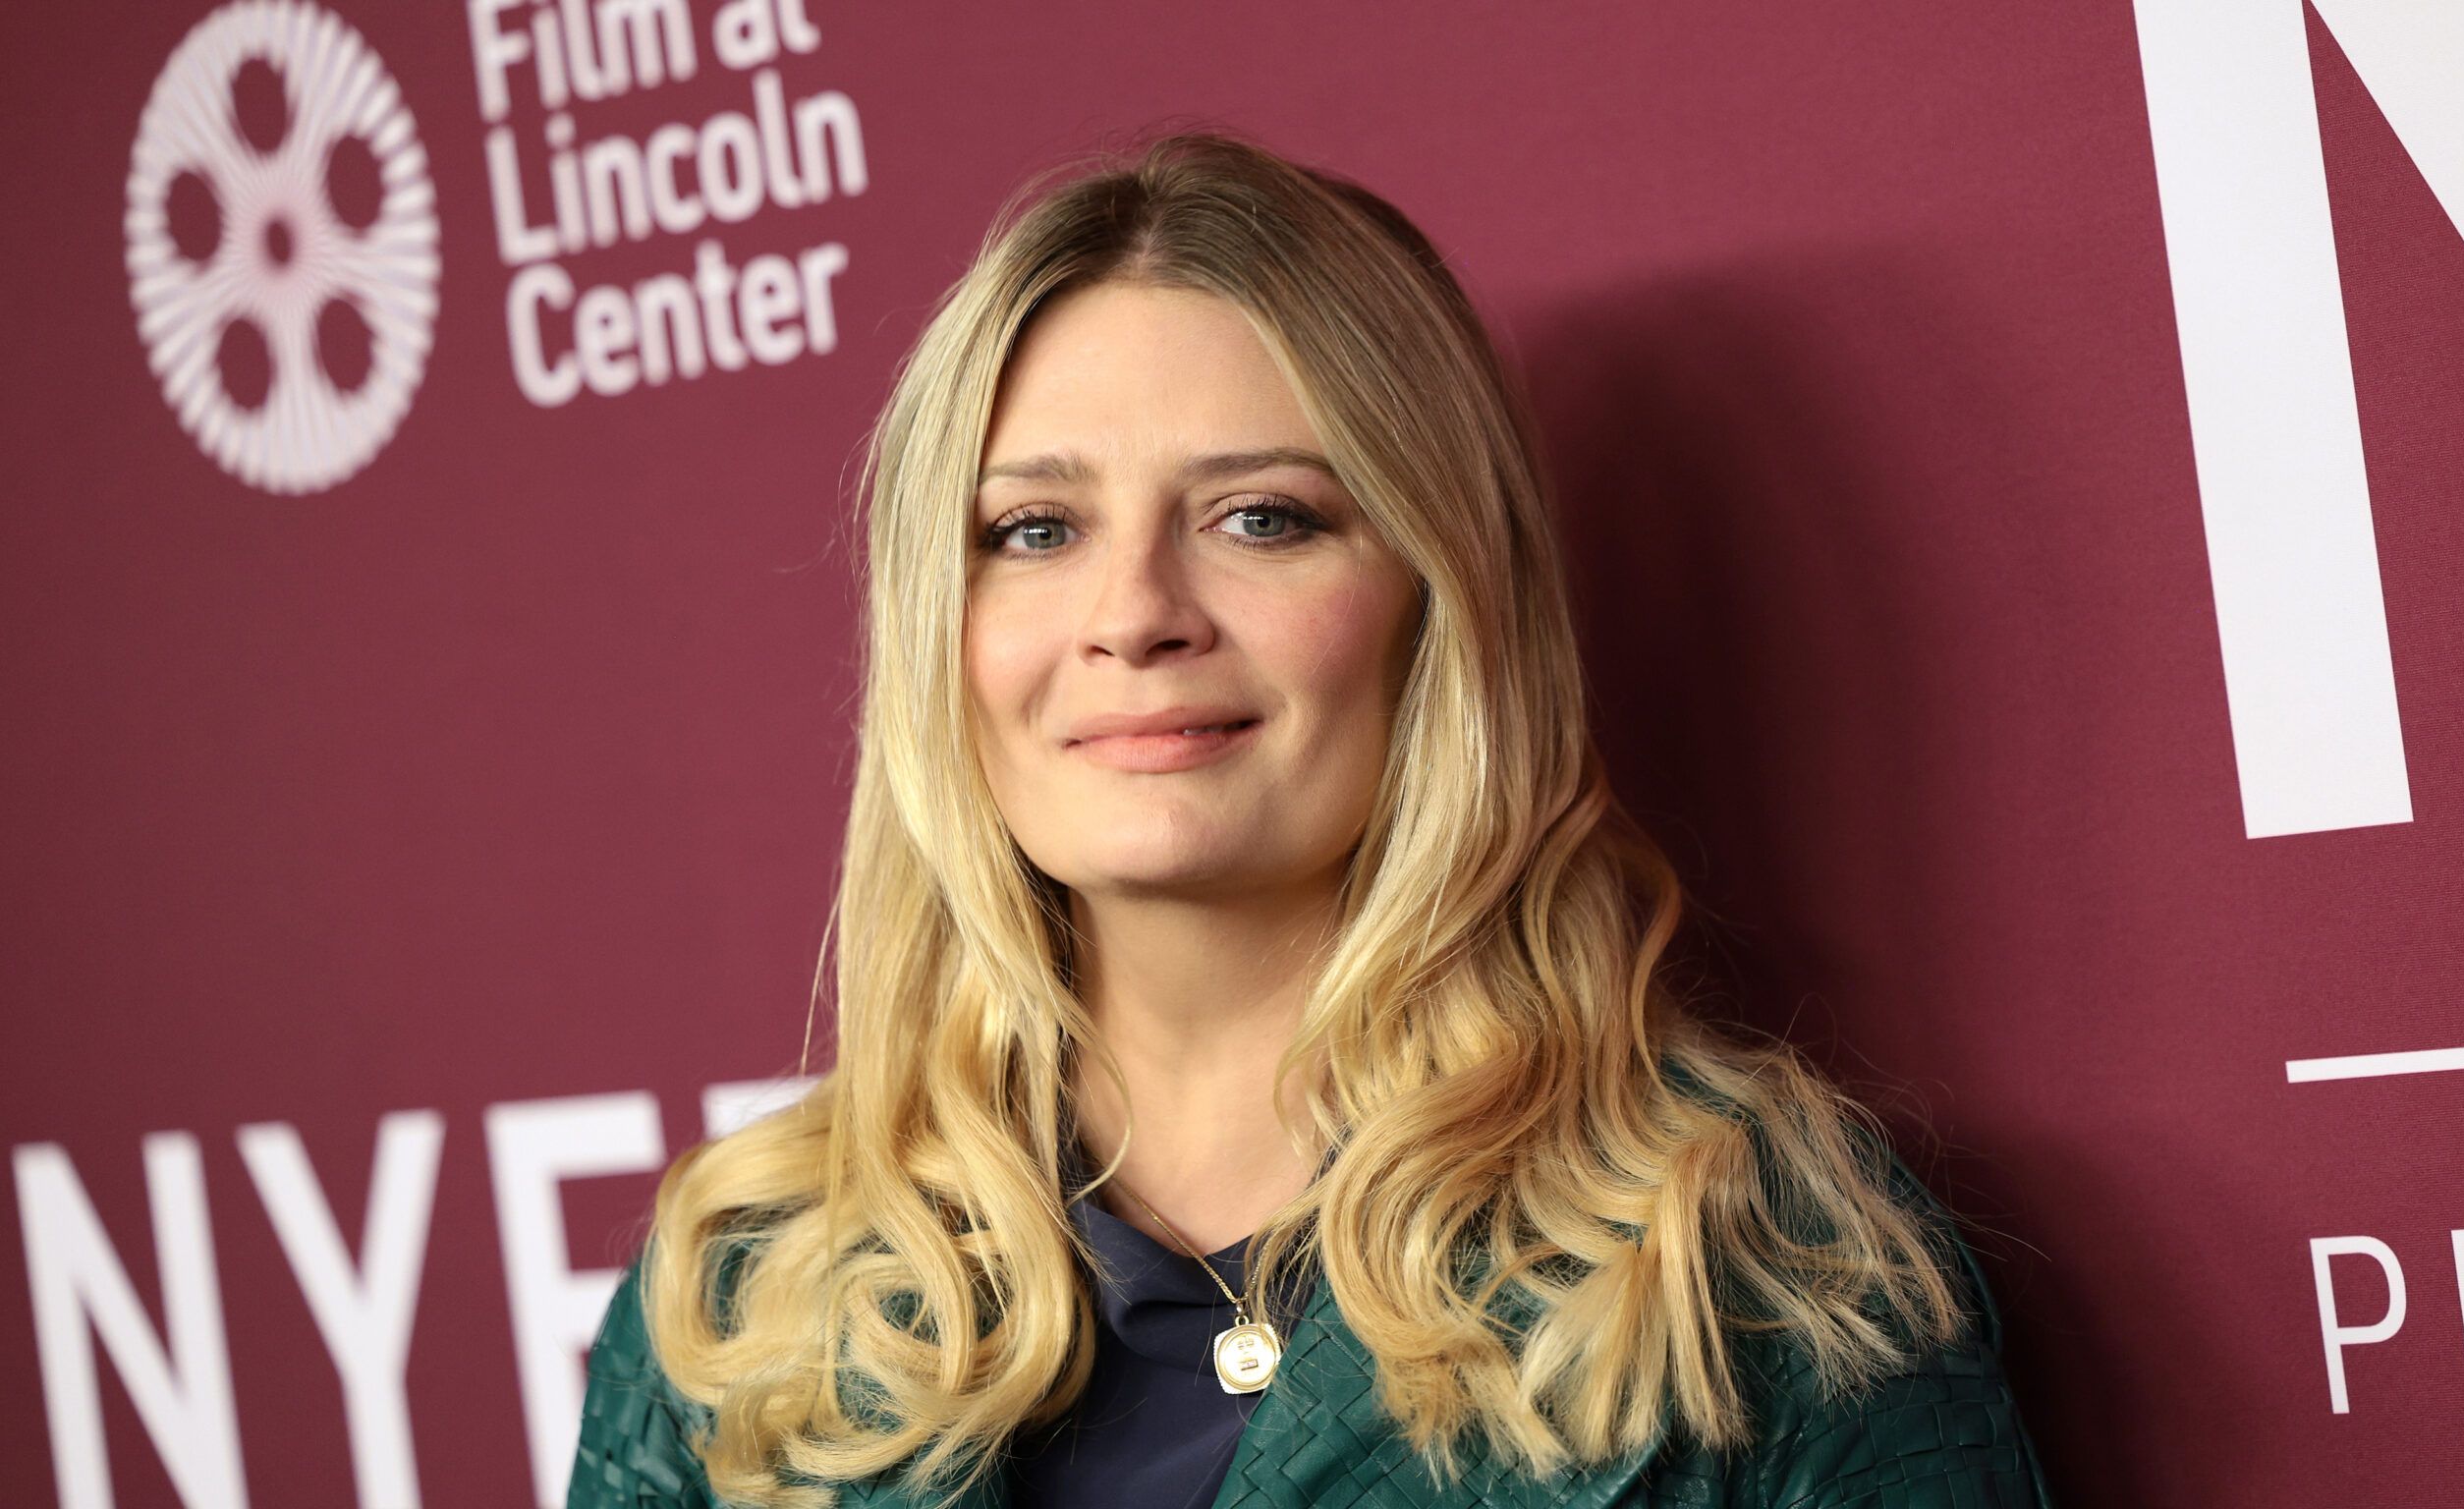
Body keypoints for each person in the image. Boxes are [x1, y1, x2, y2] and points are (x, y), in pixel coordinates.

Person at [565, 130, 2053, 1509]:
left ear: (1443, 602)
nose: (1135, 614)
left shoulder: (1759, 1269)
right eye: (1034, 530)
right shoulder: (742, 1295)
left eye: (1262, 517)